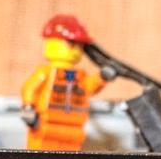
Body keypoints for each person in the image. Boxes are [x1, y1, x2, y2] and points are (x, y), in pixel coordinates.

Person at [21, 14, 111, 150]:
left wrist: (101, 78)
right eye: (71, 44)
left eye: (79, 47)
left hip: (74, 125)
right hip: (46, 122)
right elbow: (30, 88)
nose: (75, 51)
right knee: (42, 150)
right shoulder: (45, 73)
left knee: (70, 154)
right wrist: (29, 108)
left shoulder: (80, 76)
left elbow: (88, 88)